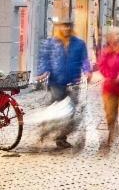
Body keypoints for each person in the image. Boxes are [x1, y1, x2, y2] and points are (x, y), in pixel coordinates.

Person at [36, 21, 91, 149]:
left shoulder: (79, 43)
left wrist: (87, 71)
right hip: (56, 82)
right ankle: (46, 128)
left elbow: (84, 60)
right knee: (57, 110)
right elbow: (45, 59)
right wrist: (43, 72)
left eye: (68, 26)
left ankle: (61, 138)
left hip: (73, 82)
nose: (66, 28)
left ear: (71, 28)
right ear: (58, 28)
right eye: (63, 26)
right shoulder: (51, 43)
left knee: (70, 112)